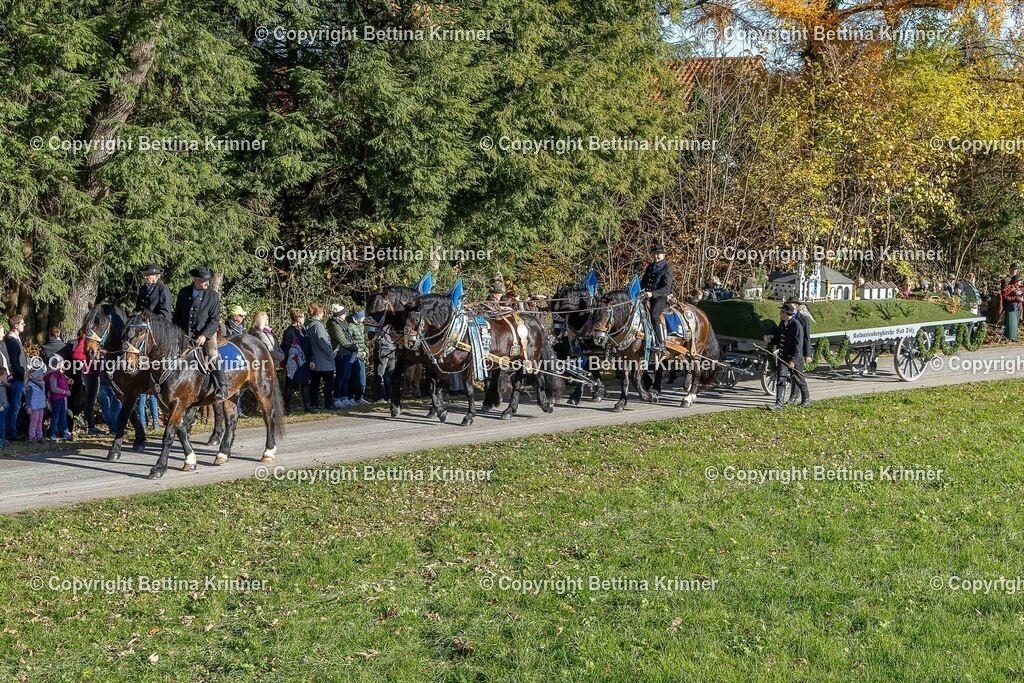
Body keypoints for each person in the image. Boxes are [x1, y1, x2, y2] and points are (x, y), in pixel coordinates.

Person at [172, 266, 227, 398]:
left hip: (207, 332)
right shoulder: (183, 292)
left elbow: (215, 319)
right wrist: (176, 332)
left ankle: (222, 387)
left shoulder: (213, 296)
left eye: (208, 280)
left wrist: (204, 335)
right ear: (195, 279)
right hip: (184, 333)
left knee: (212, 353)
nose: (207, 283)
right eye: (203, 280)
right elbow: (177, 315)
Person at [765, 303, 809, 410]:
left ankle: (806, 400)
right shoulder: (783, 323)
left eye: (782, 312)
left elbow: (798, 345)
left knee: (799, 379)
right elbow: (779, 338)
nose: (780, 314)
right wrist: (770, 338)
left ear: (786, 313)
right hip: (782, 356)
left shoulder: (796, 325)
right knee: (781, 379)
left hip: (794, 358)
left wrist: (793, 360)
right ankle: (779, 403)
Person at [640, 244, 672, 352]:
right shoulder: (650, 266)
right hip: (646, 297)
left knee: (654, 315)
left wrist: (652, 293)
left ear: (663, 255)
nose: (656, 256)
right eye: (654, 254)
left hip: (660, 297)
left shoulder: (666, 268)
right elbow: (643, 282)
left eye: (658, 254)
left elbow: (667, 288)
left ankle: (661, 343)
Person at [280, 308, 312, 414]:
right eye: (302, 316)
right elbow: (286, 347)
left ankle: (307, 406)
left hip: (305, 361)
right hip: (293, 362)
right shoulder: (289, 332)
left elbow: (309, 345)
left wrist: (311, 358)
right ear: (297, 318)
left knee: (305, 383)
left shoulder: (303, 330)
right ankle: (287, 407)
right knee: (290, 384)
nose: (304, 318)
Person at [305, 304, 334, 411]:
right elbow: (322, 342)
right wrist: (330, 353)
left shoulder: (307, 324)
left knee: (314, 383)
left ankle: (314, 403)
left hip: (313, 358)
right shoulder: (318, 326)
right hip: (323, 359)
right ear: (319, 313)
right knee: (329, 383)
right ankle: (329, 404)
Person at [327, 304, 357, 408]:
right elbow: (342, 340)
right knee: (340, 377)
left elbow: (348, 337)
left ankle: (344, 397)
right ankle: (337, 398)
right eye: (344, 313)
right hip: (340, 353)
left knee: (346, 377)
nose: (345, 314)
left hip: (347, 352)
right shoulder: (334, 325)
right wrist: (353, 347)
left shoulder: (343, 323)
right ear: (339, 315)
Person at [5, 315, 27, 441]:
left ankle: (16, 430)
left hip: (20, 378)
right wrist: (21, 373)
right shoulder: (12, 341)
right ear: (16, 325)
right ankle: (11, 433)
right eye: (22, 323)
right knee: (14, 406)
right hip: (16, 379)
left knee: (18, 406)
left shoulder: (16, 339)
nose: (24, 325)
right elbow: (14, 362)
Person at [44, 359, 73, 441]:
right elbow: (53, 388)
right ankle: (52, 434)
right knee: (55, 416)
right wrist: (65, 392)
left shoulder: (62, 374)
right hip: (56, 398)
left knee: (63, 416)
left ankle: (65, 433)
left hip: (62, 398)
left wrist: (68, 382)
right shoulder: (53, 375)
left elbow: (65, 382)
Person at [347, 310, 369, 404]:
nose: (364, 319)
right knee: (354, 377)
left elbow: (361, 341)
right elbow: (351, 342)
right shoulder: (350, 326)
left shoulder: (361, 326)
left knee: (362, 378)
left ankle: (359, 397)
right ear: (358, 317)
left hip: (361, 354)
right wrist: (359, 353)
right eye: (363, 317)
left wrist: (366, 349)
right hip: (355, 355)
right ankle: (351, 397)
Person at [25, 362, 47, 443]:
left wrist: (45, 401)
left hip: (40, 406)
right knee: (33, 423)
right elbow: (28, 398)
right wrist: (28, 407)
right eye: (41, 374)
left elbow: (43, 394)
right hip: (34, 407)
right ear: (36, 376)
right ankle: (32, 437)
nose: (43, 376)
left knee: (40, 422)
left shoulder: (41, 384)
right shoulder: (30, 386)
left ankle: (39, 436)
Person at [374, 329, 396, 404]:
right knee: (380, 374)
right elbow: (374, 336)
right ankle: (380, 396)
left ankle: (389, 396)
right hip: (383, 351)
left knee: (390, 374)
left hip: (393, 350)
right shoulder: (380, 321)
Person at [1001, 275, 1023, 341]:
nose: (1020, 282)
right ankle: (1010, 337)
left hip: (1017, 308)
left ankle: (1014, 337)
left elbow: (1021, 295)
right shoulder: (1009, 287)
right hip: (1010, 307)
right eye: (1019, 281)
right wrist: (1016, 298)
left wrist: (1021, 299)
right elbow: (1005, 297)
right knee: (1011, 323)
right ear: (1015, 282)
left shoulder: (1018, 288)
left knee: (1015, 324)